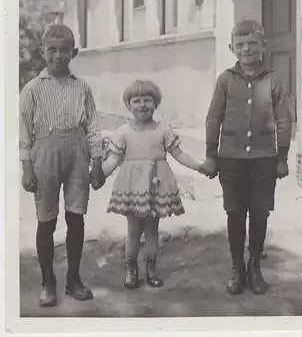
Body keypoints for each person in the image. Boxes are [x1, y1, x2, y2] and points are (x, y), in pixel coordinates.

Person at [202, 20, 292, 295]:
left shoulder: (273, 80)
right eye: (240, 44)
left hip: (265, 159)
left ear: (263, 47)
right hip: (231, 159)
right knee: (235, 211)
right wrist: (211, 155)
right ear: (232, 48)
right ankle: (237, 267)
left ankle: (254, 265)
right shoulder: (225, 80)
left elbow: (284, 120)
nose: (247, 49)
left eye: (253, 43)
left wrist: (282, 156)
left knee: (260, 212)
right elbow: (213, 118)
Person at [19, 24, 105, 307]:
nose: (58, 55)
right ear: (42, 52)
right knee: (46, 219)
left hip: (77, 154)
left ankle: (73, 279)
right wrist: (27, 167)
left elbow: (92, 125)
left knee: (76, 216)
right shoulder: (32, 89)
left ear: (74, 52)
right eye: (52, 50)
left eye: (64, 50)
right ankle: (47, 281)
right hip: (44, 154)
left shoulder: (82, 87)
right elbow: (24, 131)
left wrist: (97, 162)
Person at [101, 79, 204, 289]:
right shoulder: (123, 132)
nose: (142, 105)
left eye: (147, 100)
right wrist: (97, 175)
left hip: (157, 186)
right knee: (132, 230)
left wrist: (198, 166)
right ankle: (131, 269)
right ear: (128, 105)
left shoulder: (163, 129)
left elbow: (179, 154)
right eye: (136, 100)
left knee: (151, 230)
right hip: (132, 187)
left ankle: (151, 268)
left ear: (155, 103)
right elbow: (113, 160)